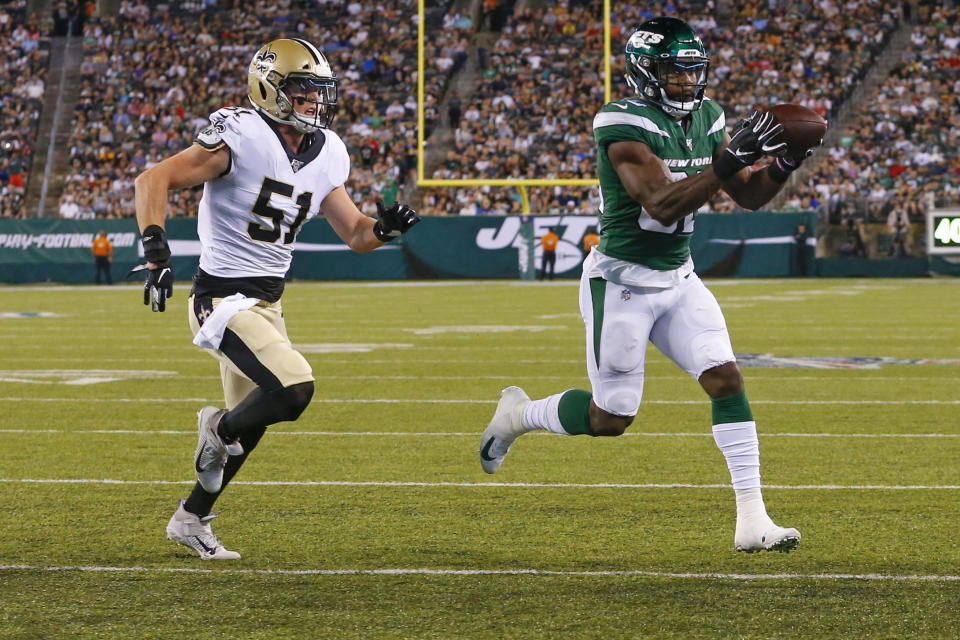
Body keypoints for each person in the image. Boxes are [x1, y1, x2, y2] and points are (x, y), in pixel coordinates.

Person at [479, 17, 821, 553]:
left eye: (692, 72)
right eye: (673, 72)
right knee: (610, 417)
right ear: (646, 72)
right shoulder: (621, 119)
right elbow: (660, 202)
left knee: (726, 379)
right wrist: (733, 158)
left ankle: (753, 519)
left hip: (680, 278)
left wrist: (786, 160)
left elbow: (750, 196)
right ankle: (518, 415)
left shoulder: (708, 115)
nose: (686, 83)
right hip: (622, 284)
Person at [134, 38, 420, 560]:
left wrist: (385, 229)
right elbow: (155, 178)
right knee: (293, 389)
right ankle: (216, 427)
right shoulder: (240, 133)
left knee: (258, 416)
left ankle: (191, 518)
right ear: (271, 89)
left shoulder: (329, 151)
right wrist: (157, 254)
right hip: (222, 299)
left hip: (267, 302)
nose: (315, 102)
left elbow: (354, 233)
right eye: (304, 92)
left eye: (319, 93)